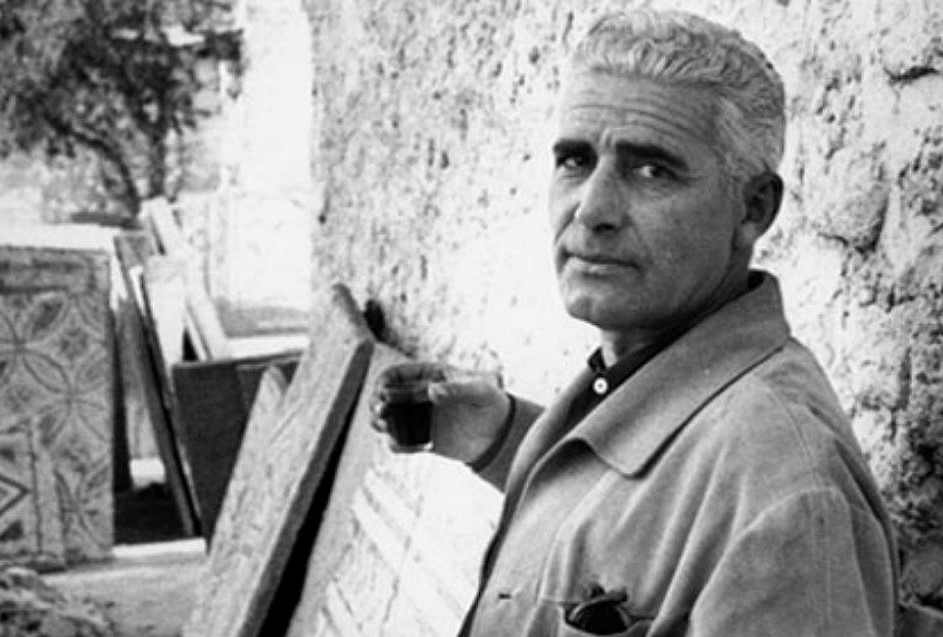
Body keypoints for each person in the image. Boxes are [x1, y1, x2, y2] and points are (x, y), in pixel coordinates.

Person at [373, 9, 900, 636]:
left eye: (652, 170)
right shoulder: (645, 374)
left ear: (752, 209)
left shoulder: (788, 496)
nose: (591, 209)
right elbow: (647, 509)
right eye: (575, 161)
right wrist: (502, 436)